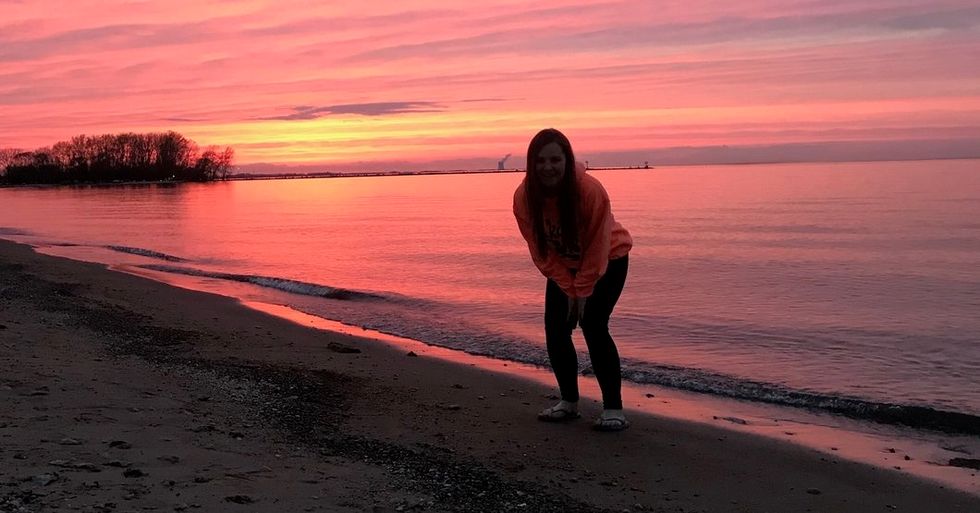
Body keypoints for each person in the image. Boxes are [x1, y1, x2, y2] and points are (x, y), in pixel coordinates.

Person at [513, 128, 633, 432]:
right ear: (531, 163)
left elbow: (597, 247)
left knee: (593, 324)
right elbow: (541, 252)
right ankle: (568, 402)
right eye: (540, 160)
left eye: (555, 159)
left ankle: (613, 409)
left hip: (610, 260)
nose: (548, 167)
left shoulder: (590, 191)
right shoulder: (523, 198)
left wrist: (582, 291)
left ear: (567, 160)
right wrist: (568, 286)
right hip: (563, 267)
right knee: (556, 329)